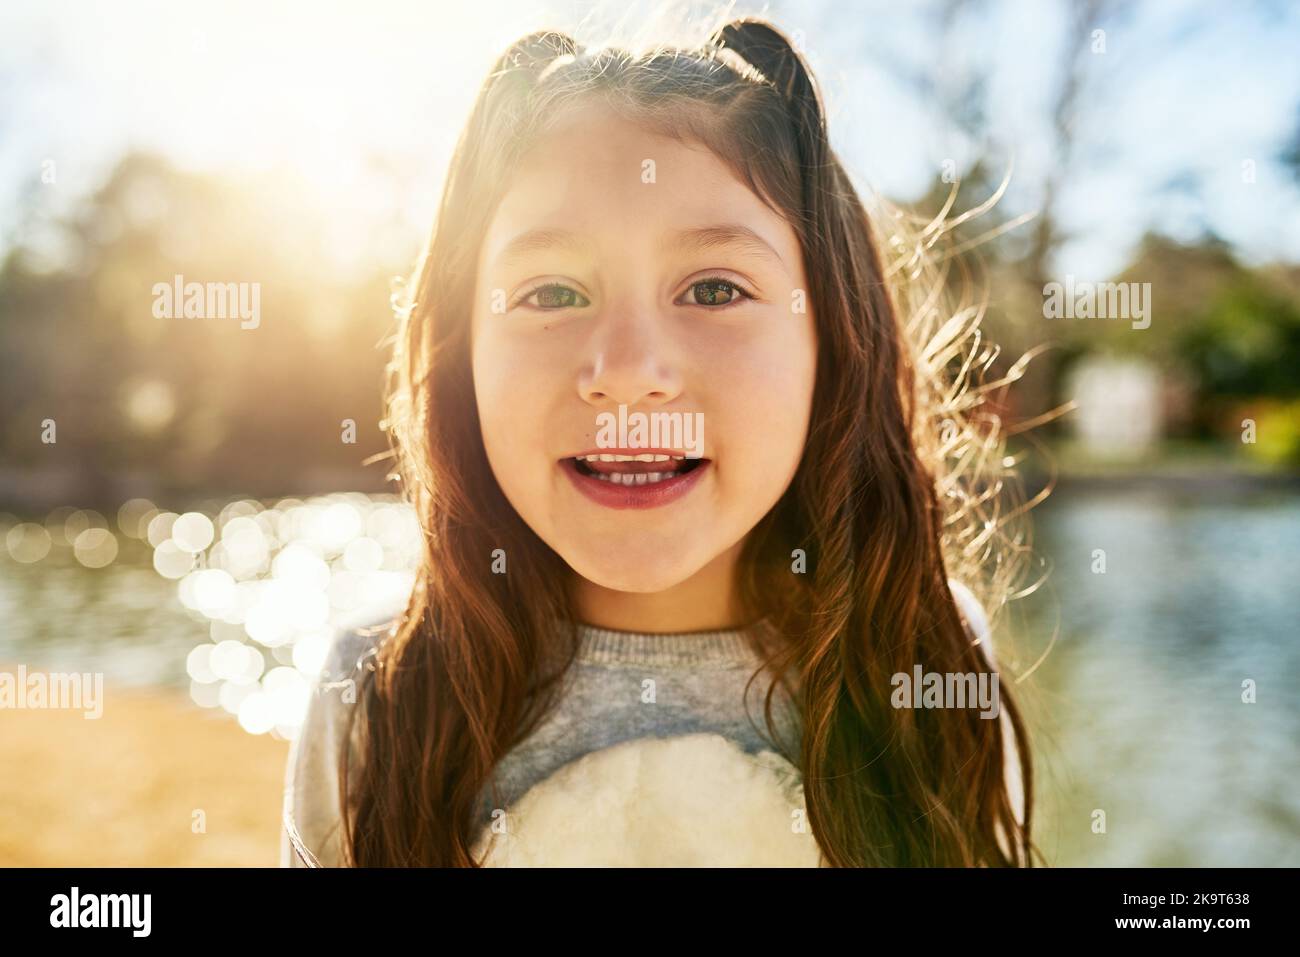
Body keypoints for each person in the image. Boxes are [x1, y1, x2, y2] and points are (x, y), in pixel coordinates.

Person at [282, 11, 1035, 868]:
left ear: (832, 341)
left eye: (714, 289)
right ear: (465, 358)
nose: (629, 370)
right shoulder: (378, 689)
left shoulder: (926, 653)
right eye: (553, 293)